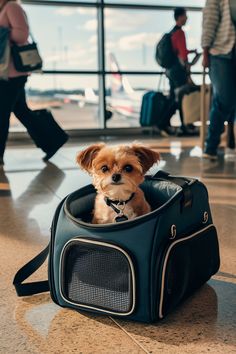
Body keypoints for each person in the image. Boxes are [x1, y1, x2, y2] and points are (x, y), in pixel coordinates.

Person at [0, 0, 67, 167]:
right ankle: (53, 140)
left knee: (2, 114)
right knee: (21, 111)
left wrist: (2, 32)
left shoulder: (12, 7)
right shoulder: (3, 9)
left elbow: (22, 35)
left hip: (13, 74)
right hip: (6, 73)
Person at [202, 0, 236, 160]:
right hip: (221, 53)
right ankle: (211, 146)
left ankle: (231, 143)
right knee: (224, 99)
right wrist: (205, 51)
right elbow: (209, 21)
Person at [165, 7, 199, 136]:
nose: (187, 18)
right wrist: (188, 75)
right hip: (178, 72)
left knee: (175, 97)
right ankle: (184, 126)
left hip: (171, 71)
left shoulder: (172, 33)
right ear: (180, 17)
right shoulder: (180, 33)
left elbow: (178, 51)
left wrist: (191, 51)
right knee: (182, 97)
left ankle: (165, 123)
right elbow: (183, 56)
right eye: (186, 15)